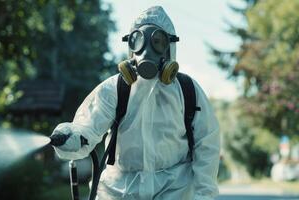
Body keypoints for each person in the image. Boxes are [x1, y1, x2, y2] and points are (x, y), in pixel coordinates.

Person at [51, 6, 220, 200]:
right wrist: (70, 137)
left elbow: (207, 144)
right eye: (139, 42)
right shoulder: (114, 88)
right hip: (119, 192)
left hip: (175, 190)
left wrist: (204, 195)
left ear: (170, 46)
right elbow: (87, 129)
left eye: (157, 42)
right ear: (131, 46)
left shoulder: (188, 90)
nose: (147, 51)